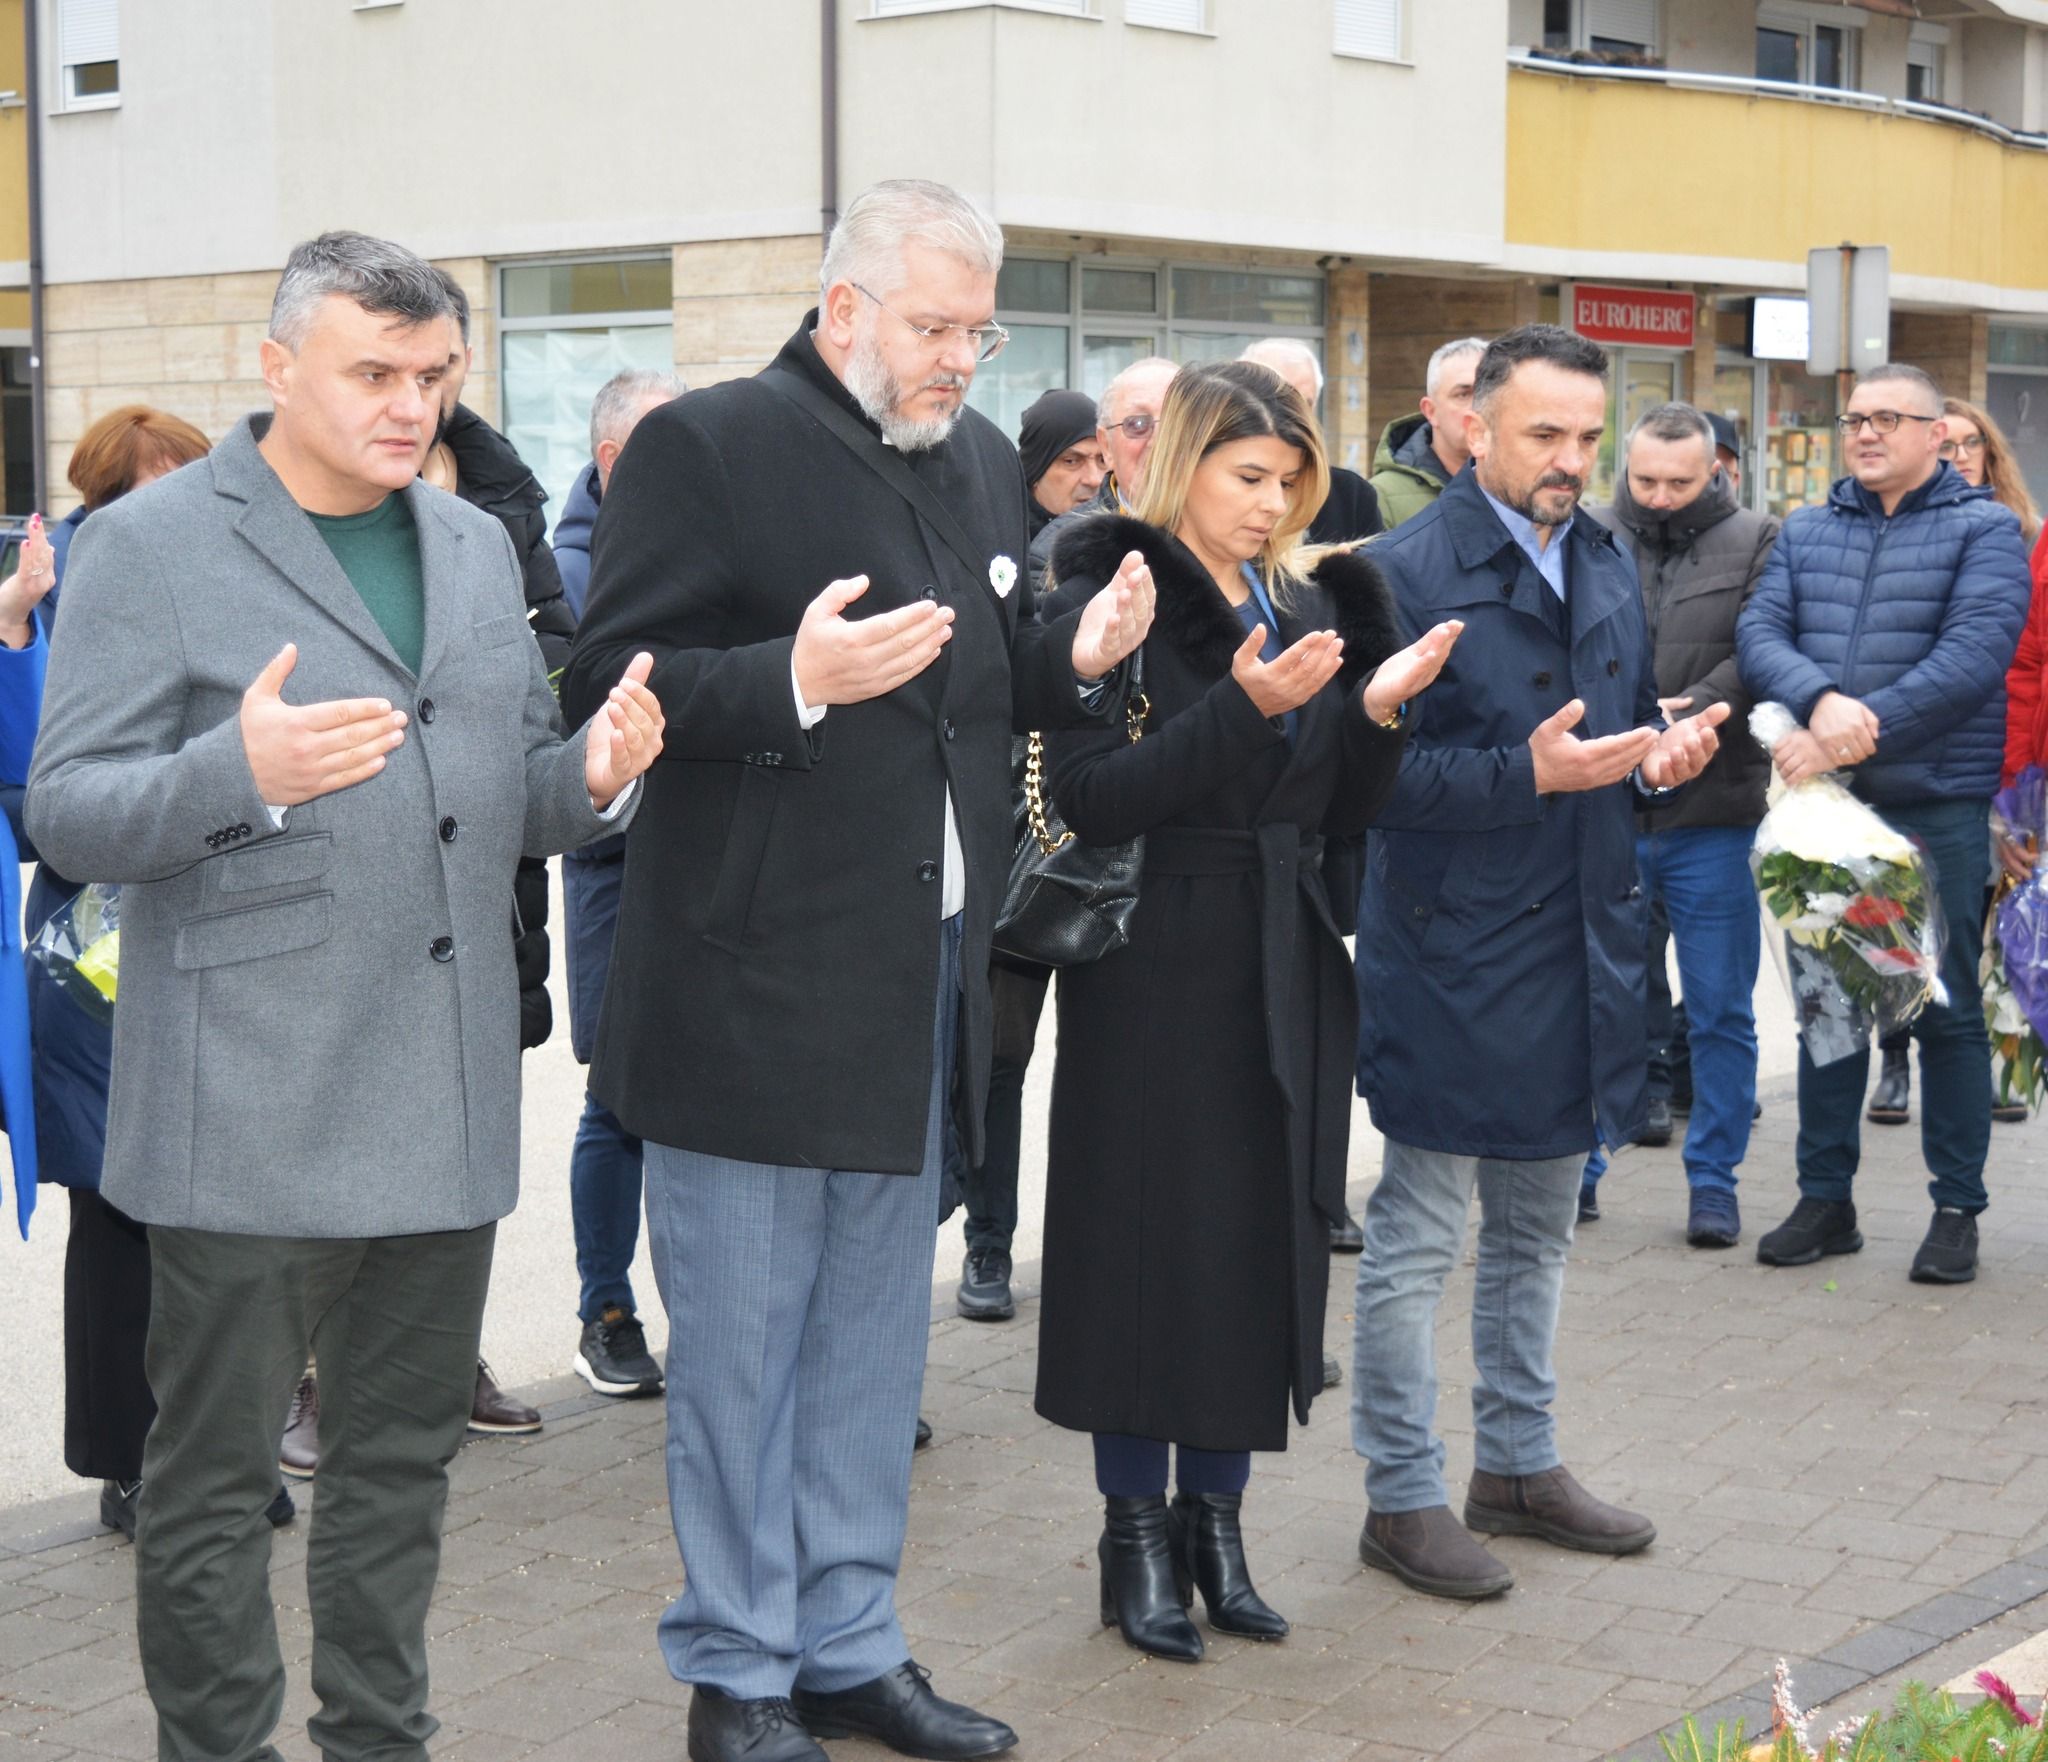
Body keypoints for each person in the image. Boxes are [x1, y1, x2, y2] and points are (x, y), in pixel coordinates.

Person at [25, 230, 662, 1762]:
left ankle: (382, 1735)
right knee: (210, 1484)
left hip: (435, 1096)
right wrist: (232, 771)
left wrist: (591, 775)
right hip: (246, 1100)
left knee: (398, 1471)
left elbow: (501, 793)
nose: (409, 402)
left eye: (432, 374)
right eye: (374, 371)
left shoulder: (463, 542)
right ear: (278, 366)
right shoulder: (153, 544)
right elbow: (69, 811)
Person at [563, 179, 1152, 1762]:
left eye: (980, 329)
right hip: (749, 992)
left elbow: (972, 678)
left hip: (919, 977)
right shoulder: (708, 445)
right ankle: (737, 1675)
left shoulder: (964, 458)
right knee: (744, 1361)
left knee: (868, 1359)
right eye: (937, 326)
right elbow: (608, 677)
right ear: (845, 313)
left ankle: (848, 1644)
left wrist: (1071, 658)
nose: (963, 359)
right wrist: (789, 679)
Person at [1034, 359, 1453, 1660]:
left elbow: (1335, 816)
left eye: (1290, 482)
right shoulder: (1120, 592)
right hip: (1153, 959)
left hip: (1282, 948)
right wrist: (1240, 708)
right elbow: (1095, 799)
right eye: (1248, 477)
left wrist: (1377, 714)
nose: (1272, 504)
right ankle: (1133, 1535)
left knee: (1257, 1246)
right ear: (1184, 465)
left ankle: (1218, 1525)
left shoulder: (1311, 596)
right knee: (1143, 1247)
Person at [1350, 324, 1727, 1600]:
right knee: (1418, 1232)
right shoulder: (1395, 573)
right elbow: (1357, 781)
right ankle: (1399, 1493)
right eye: (1542, 437)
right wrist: (1526, 773)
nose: (1571, 462)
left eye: (1585, 438)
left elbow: (1605, 742)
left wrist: (1655, 760)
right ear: (1472, 430)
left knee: (1539, 1230)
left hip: (1584, 942)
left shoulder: (1606, 556)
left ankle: (1516, 1463)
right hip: (1453, 950)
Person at [13, 411, 303, 1543]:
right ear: (99, 500)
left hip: (212, 938)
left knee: (224, 1221)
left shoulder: (227, 575)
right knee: (123, 1222)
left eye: (188, 479)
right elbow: (44, 799)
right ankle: (129, 1461)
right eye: (149, 487)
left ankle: (224, 1448)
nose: (174, 504)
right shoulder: (51, 608)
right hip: (96, 972)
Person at [1737, 363, 2031, 1285]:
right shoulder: (1807, 528)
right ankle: (1826, 1200)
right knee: (1830, 1004)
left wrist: (1856, 734)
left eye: (1887, 419)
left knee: (1939, 1007)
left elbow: (1976, 655)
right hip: (1829, 811)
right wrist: (1821, 704)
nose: (1864, 433)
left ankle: (1957, 1211)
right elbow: (1760, 633)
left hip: (1933, 801)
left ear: (1935, 434)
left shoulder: (1986, 530)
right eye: (1854, 418)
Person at [1583, 403, 1781, 1248]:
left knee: (1719, 1010)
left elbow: (1766, 643)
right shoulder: (1587, 531)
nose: (1660, 497)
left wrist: (1697, 711)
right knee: (1598, 1001)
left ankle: (1714, 1184)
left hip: (1715, 814)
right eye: (1645, 480)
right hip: (1607, 808)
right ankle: (1582, 1169)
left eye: (1681, 482)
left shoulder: (1760, 538)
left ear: (1717, 472)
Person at [550, 367, 688, 1398]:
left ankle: (716, 1325)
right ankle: (606, 1308)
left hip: (705, 869)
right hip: (616, 871)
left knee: (699, 1104)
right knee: (621, 1104)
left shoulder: (700, 543)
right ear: (611, 463)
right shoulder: (568, 575)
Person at [1887, 397, 2046, 1127]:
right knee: (1902, 916)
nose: (1956, 456)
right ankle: (1895, 1054)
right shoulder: (1885, 529)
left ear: (1990, 454)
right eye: (1942, 442)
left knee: (1987, 919)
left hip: (1996, 762)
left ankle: (1995, 1053)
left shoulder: (2022, 536)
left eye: (1969, 443)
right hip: (1920, 759)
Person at [554, 367, 688, 620]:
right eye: (664, 442)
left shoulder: (707, 551)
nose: (684, 459)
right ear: (612, 457)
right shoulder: (563, 581)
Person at [1240, 338, 1382, 543]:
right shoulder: (1209, 490)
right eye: (1275, 401)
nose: (1291, 415)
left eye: (1303, 403)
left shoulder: (1351, 496)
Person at [1366, 336, 1487, 529]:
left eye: (1487, 392)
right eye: (1463, 394)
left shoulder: (1522, 486)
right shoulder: (1382, 497)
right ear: (1430, 411)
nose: (1478, 406)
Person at [1019, 387, 1105, 575]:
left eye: (1102, 460)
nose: (1094, 479)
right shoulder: (1002, 544)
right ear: (1035, 471)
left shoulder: (1119, 538)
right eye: (1071, 461)